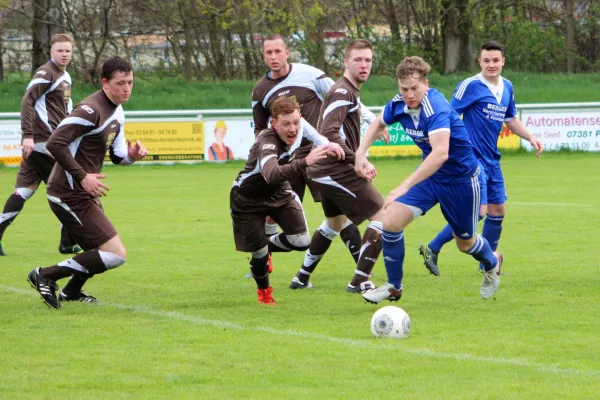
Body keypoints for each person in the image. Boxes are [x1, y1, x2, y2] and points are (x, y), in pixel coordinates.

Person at [356, 56, 502, 303]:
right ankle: (394, 286)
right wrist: (361, 154)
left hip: (462, 181)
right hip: (431, 180)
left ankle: (491, 263)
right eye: (404, 89)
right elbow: (379, 121)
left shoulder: (437, 108)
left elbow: (440, 154)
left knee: (464, 244)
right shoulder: (398, 104)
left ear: (426, 83)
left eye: (415, 88)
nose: (409, 94)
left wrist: (403, 185)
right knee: (390, 222)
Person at [27, 56, 148, 309]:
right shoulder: (89, 110)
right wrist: (83, 176)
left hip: (83, 192)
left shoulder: (117, 110)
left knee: (99, 249)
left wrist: (132, 157)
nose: (127, 88)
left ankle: (71, 292)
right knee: (115, 254)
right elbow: (54, 143)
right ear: (105, 83)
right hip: (66, 191)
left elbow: (117, 157)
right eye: (120, 83)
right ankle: (45, 275)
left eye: (130, 82)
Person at [252, 34, 378, 271]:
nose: (274, 56)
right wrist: (267, 155)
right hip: (289, 162)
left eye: (278, 51)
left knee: (339, 214)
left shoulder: (309, 73)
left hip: (320, 156)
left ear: (287, 52)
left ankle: (361, 273)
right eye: (269, 52)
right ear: (263, 56)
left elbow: (342, 95)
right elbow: (260, 128)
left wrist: (373, 121)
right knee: (274, 216)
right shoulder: (260, 90)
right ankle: (262, 257)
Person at [418, 41, 543, 276]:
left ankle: (487, 265)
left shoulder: (507, 87)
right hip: (471, 159)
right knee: (478, 212)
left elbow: (511, 119)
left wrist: (530, 137)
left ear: (503, 61)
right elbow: (447, 115)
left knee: (498, 211)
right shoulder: (470, 86)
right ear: (480, 62)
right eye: (486, 61)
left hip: (492, 159)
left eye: (496, 60)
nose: (491, 65)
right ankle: (432, 248)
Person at [290, 39, 388, 293]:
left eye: (368, 60)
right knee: (383, 216)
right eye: (358, 60)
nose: (364, 65)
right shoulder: (343, 91)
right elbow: (329, 133)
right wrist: (357, 158)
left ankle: (301, 277)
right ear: (346, 62)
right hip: (334, 169)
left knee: (334, 223)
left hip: (324, 171)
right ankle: (359, 281)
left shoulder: (349, 90)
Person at [231, 97, 343, 305]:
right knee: (258, 254)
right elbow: (271, 175)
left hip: (279, 192)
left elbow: (320, 141)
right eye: (286, 124)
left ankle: (265, 247)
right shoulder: (267, 142)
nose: (292, 128)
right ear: (274, 123)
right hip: (248, 197)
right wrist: (304, 162)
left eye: (296, 122)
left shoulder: (300, 126)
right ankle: (264, 292)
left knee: (301, 241)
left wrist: (334, 148)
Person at [0, 33, 82, 256]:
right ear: (51, 52)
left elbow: (65, 110)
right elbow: (28, 100)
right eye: (60, 50)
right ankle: (67, 242)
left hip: (44, 143)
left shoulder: (64, 76)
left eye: (68, 51)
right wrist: (28, 135)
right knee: (67, 190)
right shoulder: (46, 72)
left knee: (23, 192)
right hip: (43, 142)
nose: (64, 54)